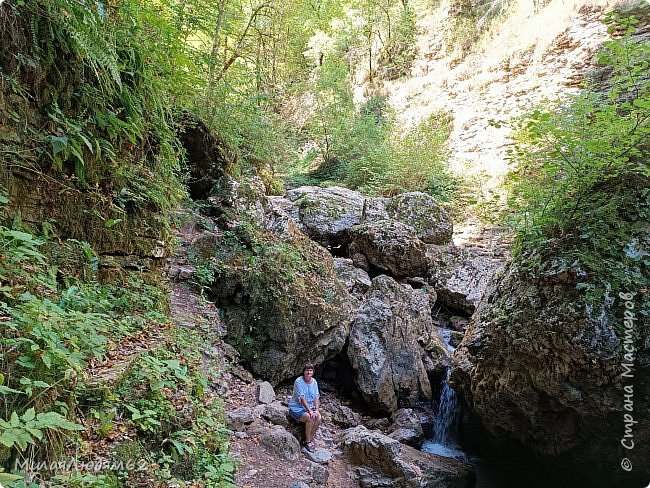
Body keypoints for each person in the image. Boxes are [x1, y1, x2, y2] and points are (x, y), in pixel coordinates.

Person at [288, 362, 321, 452]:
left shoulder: (314, 382)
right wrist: (310, 411)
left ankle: (309, 437)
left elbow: (316, 396)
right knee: (310, 418)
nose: (309, 372)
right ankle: (307, 441)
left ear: (313, 372)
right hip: (296, 408)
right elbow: (302, 398)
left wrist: (316, 410)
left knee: (318, 418)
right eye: (307, 370)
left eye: (310, 370)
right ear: (303, 372)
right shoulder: (299, 381)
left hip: (309, 407)